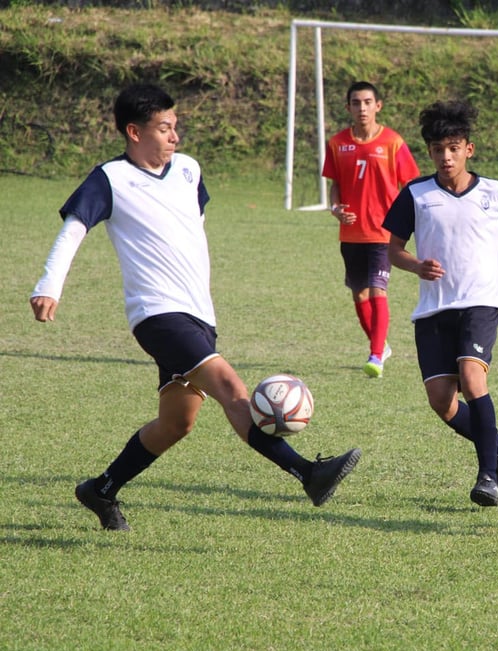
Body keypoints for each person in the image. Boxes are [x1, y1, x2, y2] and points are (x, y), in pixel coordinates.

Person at [29, 84, 361, 531]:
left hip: (198, 314)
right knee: (231, 388)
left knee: (177, 423)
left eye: (175, 127)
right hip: (156, 314)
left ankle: (101, 490)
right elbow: (74, 229)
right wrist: (49, 284)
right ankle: (308, 472)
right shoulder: (110, 179)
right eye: (164, 129)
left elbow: (191, 229)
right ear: (133, 132)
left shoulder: (188, 169)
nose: (175, 137)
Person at [384, 100, 498, 507]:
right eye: (438, 149)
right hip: (434, 308)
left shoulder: (494, 192)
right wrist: (416, 265)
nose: (446, 156)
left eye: (453, 147)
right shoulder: (416, 194)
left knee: (473, 381)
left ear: (469, 149)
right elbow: (392, 250)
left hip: (481, 302)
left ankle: (487, 476)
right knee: (442, 401)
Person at [322, 81, 420, 378]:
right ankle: (380, 345)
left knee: (379, 290)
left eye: (367, 102)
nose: (361, 108)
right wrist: (336, 208)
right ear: (348, 107)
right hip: (351, 235)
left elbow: (410, 186)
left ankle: (376, 355)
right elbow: (335, 185)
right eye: (356, 102)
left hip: (383, 234)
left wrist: (407, 219)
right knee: (359, 295)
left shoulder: (393, 143)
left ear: (378, 106)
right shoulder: (338, 144)